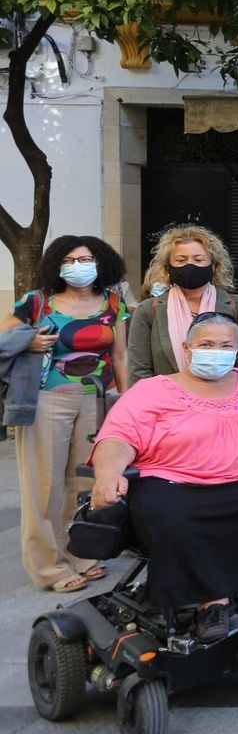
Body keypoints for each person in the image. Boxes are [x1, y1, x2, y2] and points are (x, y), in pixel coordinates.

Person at [88, 314, 238, 642]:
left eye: (225, 345)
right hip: (176, 481)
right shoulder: (151, 390)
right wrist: (108, 474)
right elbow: (117, 437)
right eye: (207, 344)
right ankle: (212, 601)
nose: (216, 351)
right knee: (173, 515)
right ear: (187, 348)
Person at [2, 235, 129, 592]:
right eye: (70, 260)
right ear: (57, 265)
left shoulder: (114, 303)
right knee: (45, 485)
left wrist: (127, 402)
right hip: (46, 400)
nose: (79, 266)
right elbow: (2, 339)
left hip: (97, 400)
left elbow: (119, 355)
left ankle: (82, 554)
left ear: (100, 263)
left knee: (86, 482)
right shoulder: (37, 302)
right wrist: (27, 340)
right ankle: (49, 568)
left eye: (86, 259)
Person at [128, 224, 238, 382]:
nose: (190, 265)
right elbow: (139, 369)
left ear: (213, 266)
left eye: (198, 259)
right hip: (167, 402)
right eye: (181, 260)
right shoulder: (148, 310)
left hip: (225, 400)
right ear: (168, 267)